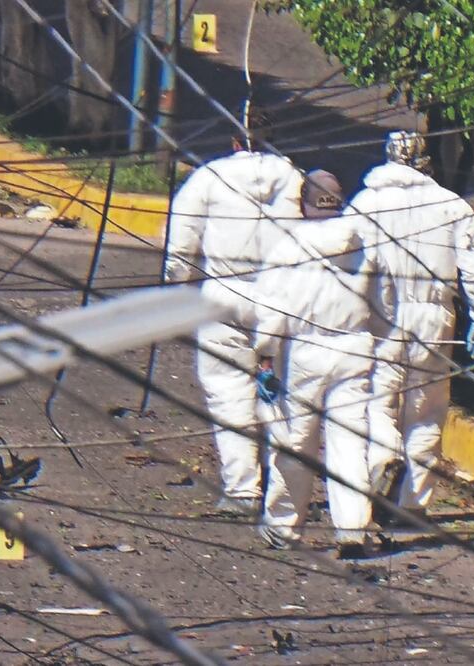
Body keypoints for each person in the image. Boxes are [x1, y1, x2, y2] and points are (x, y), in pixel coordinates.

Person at [346, 131, 474, 523]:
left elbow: (344, 262)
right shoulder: (452, 207)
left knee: (376, 402)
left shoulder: (364, 204)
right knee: (426, 411)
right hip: (435, 320)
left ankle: (383, 457)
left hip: (380, 317)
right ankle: (412, 504)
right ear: (426, 162)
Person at [253, 170, 396, 558]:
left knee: (294, 443)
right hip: (354, 350)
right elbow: (384, 307)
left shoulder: (288, 248)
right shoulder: (364, 246)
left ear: (304, 203)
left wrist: (265, 359)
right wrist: (376, 342)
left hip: (303, 353)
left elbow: (270, 311)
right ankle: (352, 529)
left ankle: (284, 527)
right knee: (348, 443)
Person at [164, 127, 304, 518]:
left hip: (223, 297)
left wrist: (174, 287)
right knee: (279, 395)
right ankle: (285, 489)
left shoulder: (208, 177)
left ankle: (242, 489)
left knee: (227, 392)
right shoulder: (295, 179)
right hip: (280, 298)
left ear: (234, 140)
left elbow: (181, 245)